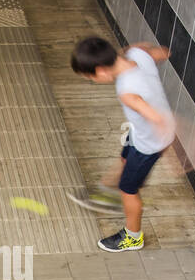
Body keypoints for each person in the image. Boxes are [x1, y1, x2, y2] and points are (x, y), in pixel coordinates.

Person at [69, 36, 177, 252]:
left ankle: (133, 237)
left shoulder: (127, 91)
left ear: (100, 71)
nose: (93, 81)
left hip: (148, 145)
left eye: (91, 78)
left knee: (128, 189)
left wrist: (174, 154)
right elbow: (162, 52)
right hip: (138, 134)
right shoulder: (137, 55)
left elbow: (156, 118)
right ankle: (108, 195)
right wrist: (149, 51)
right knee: (124, 158)